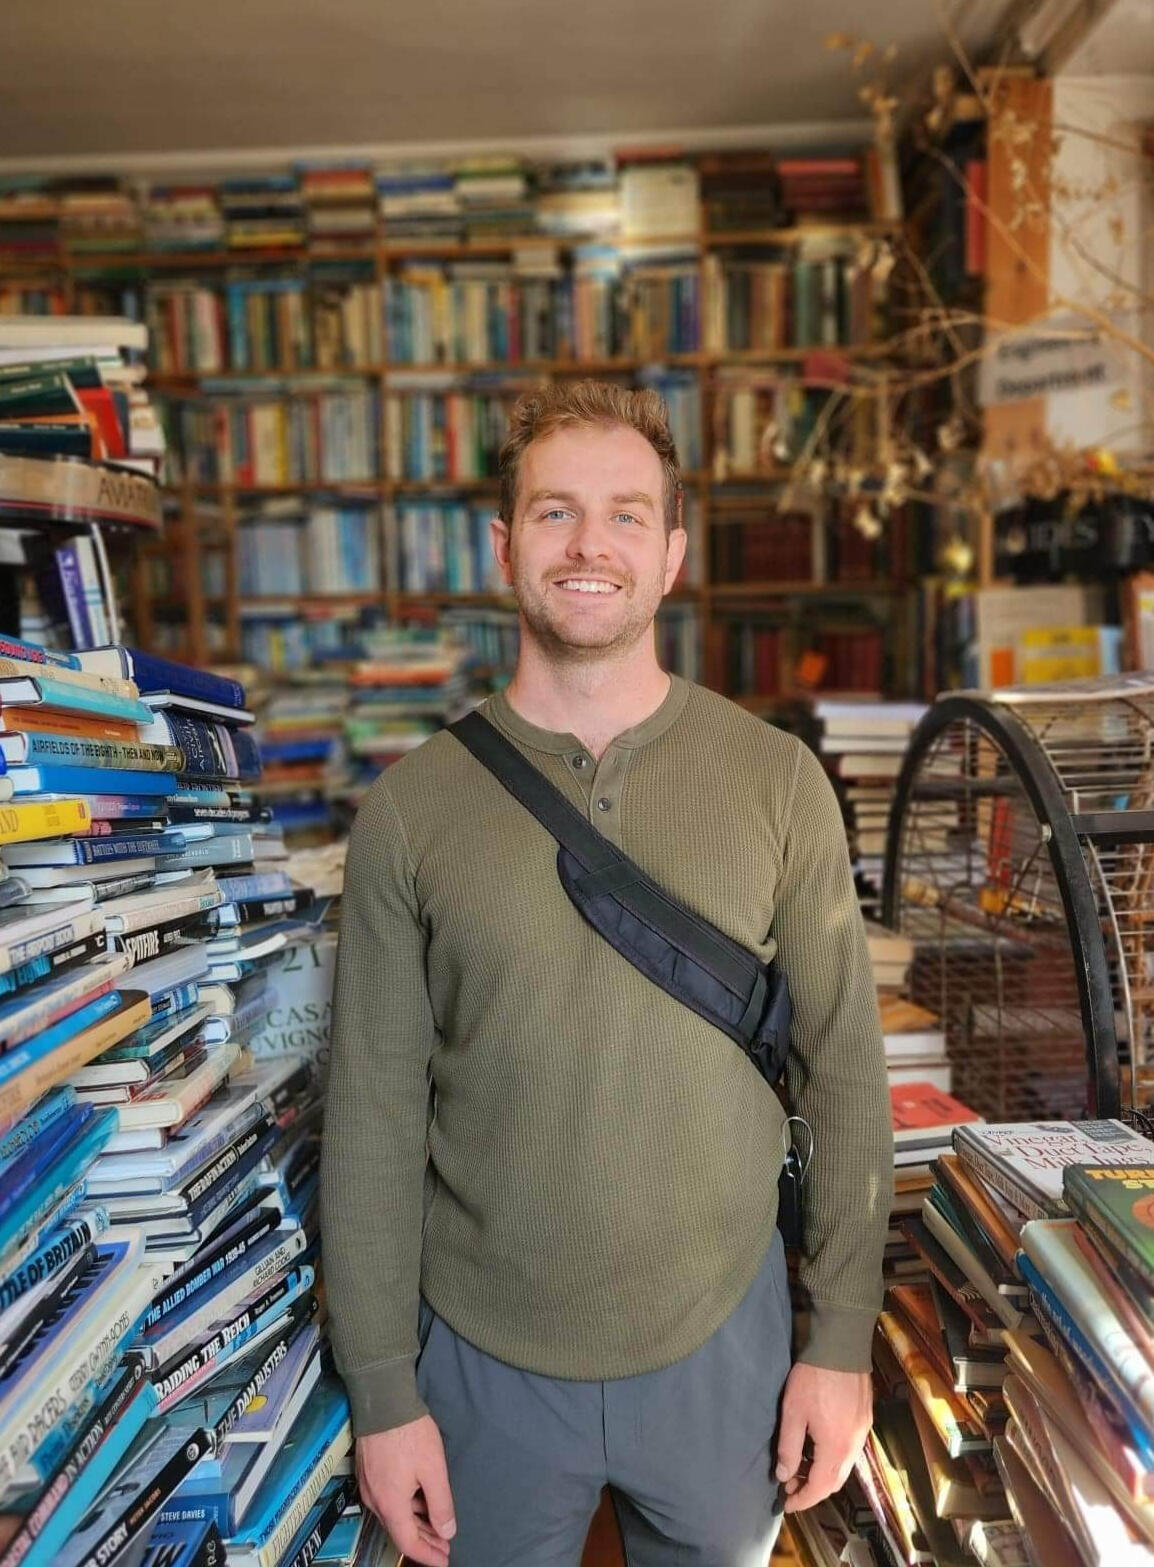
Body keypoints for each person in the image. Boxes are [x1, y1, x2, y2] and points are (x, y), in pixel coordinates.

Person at [320, 381, 892, 1567]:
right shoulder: (410, 812)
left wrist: (838, 1339)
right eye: (554, 514)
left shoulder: (778, 782)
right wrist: (381, 1392)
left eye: (627, 515)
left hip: (723, 1337)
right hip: (474, 1357)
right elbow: (372, 1115)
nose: (590, 545)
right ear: (502, 546)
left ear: (671, 554)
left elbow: (841, 1071)